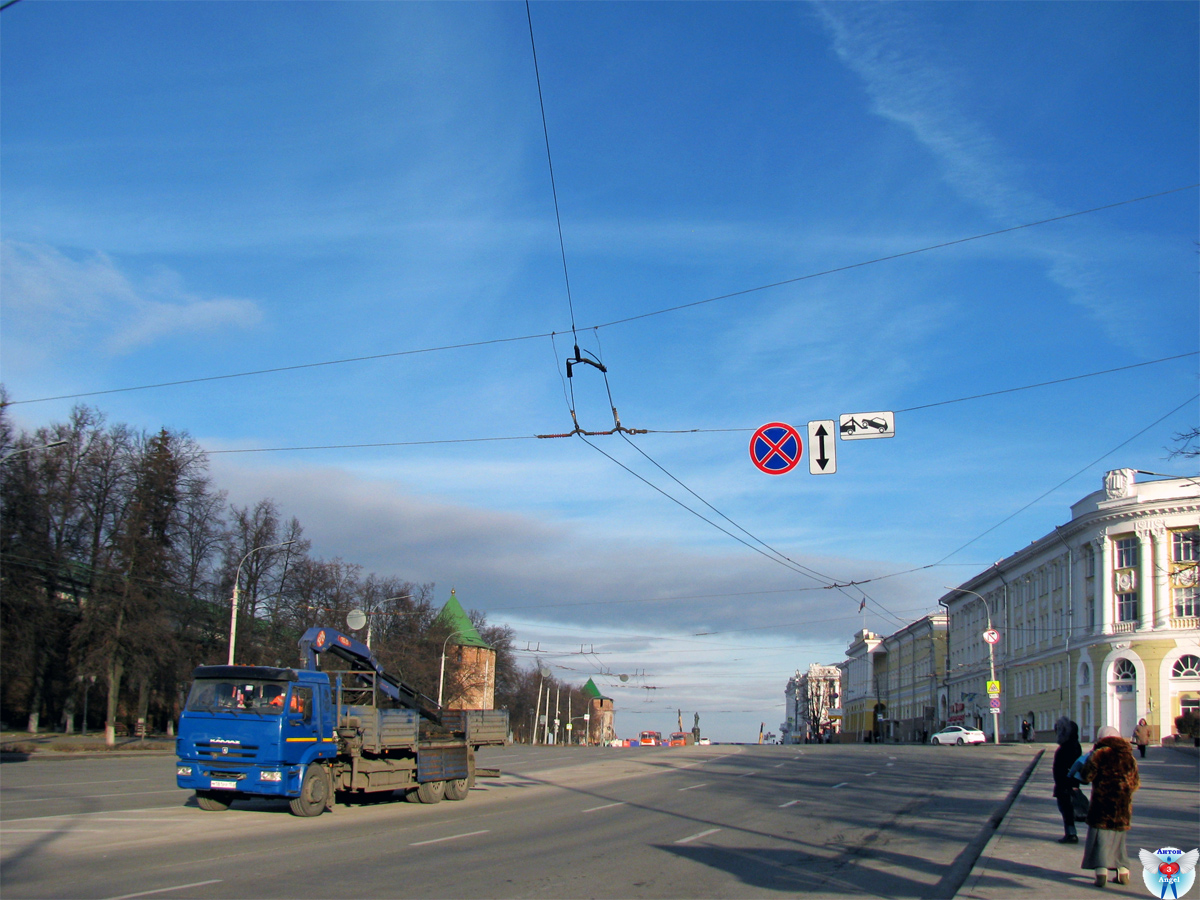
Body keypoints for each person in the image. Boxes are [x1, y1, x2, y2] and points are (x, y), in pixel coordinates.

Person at [1078, 724, 1140, 888]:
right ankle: (1123, 871)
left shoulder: (1100, 754)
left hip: (1101, 805)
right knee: (1118, 841)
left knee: (1100, 839)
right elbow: (1135, 783)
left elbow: (1086, 777)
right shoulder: (1129, 756)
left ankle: (1101, 873)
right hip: (1122, 807)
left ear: (1102, 739)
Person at [1052, 716, 1083, 844]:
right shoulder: (1075, 745)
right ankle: (1070, 833)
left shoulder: (1067, 747)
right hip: (1068, 782)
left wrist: (1064, 782)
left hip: (1065, 784)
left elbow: (1063, 767)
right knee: (1067, 808)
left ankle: (1071, 834)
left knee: (1066, 809)